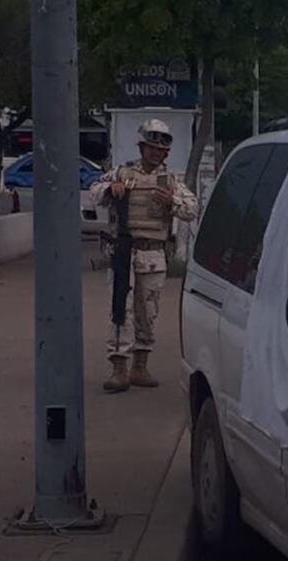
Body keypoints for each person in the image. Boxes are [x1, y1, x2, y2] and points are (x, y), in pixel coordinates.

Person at [89, 119, 199, 393]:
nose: (154, 153)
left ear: (166, 153)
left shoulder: (170, 181)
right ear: (142, 148)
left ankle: (140, 366)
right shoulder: (122, 172)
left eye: (159, 149)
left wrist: (171, 201)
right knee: (120, 311)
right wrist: (110, 189)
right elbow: (94, 192)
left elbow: (192, 209)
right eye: (150, 147)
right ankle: (119, 369)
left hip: (153, 254)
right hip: (123, 253)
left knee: (147, 312)